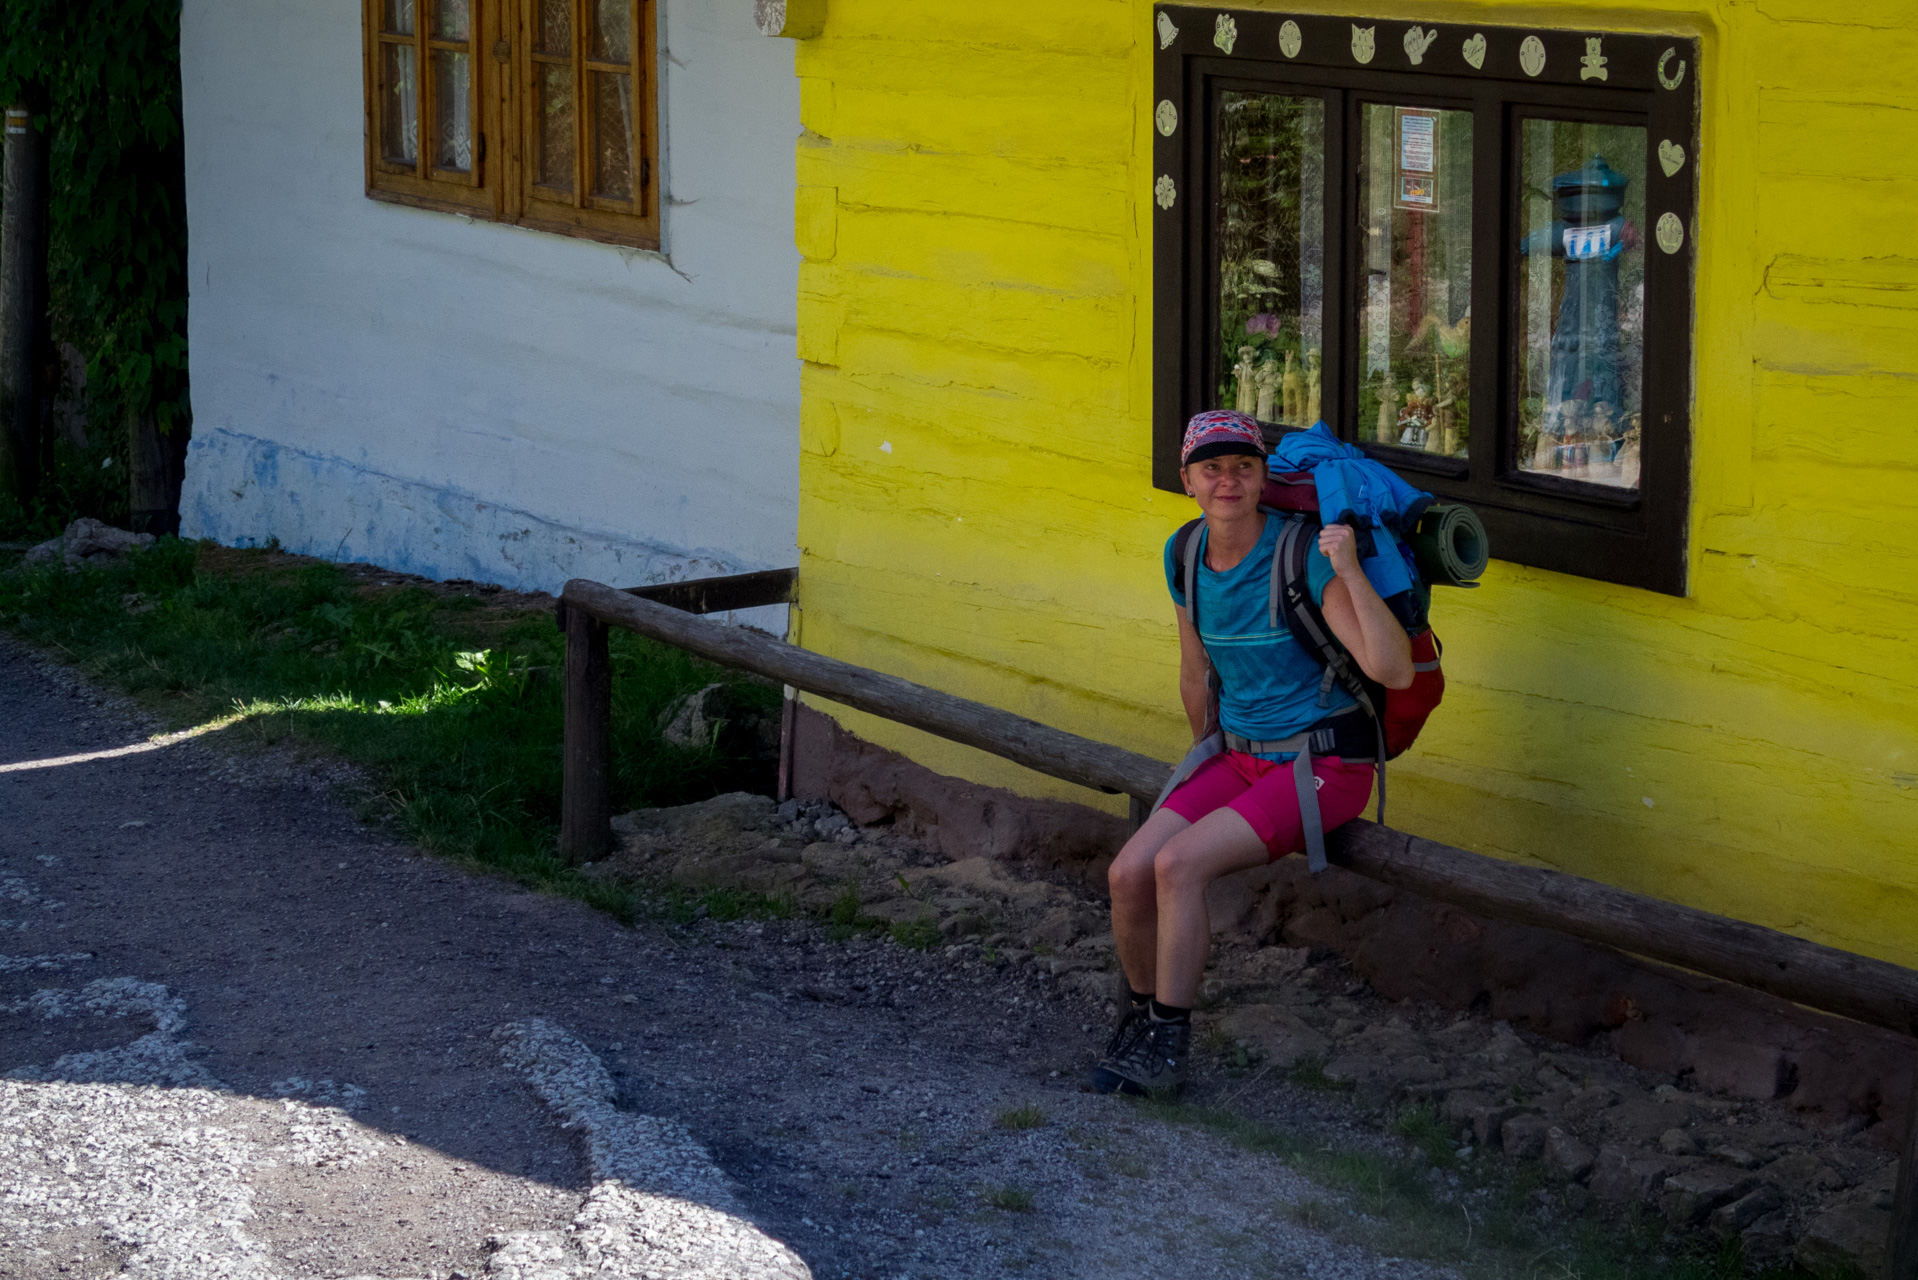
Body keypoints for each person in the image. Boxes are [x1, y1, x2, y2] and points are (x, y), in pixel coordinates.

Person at [1091, 410, 1414, 1097]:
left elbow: (1394, 671)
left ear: (1264, 477)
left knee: (1177, 866)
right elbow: (1193, 669)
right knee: (1128, 873)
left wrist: (1350, 568)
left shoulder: (1301, 555)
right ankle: (1144, 1026)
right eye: (1212, 468)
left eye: (1244, 466)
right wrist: (1205, 761)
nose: (1228, 481)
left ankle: (1168, 1052)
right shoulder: (1184, 554)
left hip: (1323, 765)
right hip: (1237, 755)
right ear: (1188, 481)